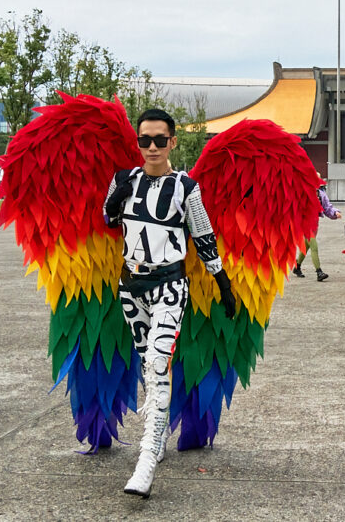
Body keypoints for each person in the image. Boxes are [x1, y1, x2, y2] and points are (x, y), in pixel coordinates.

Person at [102, 108, 237, 498]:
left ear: (172, 142)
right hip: (131, 286)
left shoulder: (186, 187)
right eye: (145, 140)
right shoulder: (122, 179)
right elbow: (108, 220)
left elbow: (204, 236)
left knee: (159, 362)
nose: (152, 147)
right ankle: (157, 438)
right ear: (138, 142)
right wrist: (116, 201)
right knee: (149, 363)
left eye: (160, 140)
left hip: (170, 286)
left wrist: (223, 283)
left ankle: (145, 460)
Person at [293, 174, 342, 281]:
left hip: (315, 223)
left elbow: (328, 208)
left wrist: (336, 213)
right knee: (314, 246)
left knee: (306, 246)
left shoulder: (321, 195)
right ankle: (319, 272)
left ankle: (297, 267)